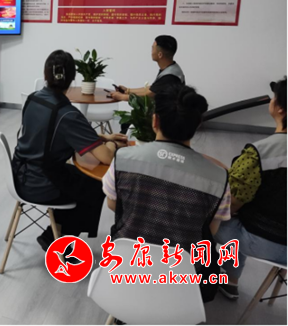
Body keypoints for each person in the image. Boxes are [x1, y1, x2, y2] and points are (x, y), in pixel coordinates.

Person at [102, 84, 231, 302]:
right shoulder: (218, 178)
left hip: (125, 269)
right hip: (182, 283)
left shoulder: (123, 159)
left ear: (155, 121)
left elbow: (113, 204)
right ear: (197, 125)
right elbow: (211, 229)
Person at [12, 50, 128, 251]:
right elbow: (106, 157)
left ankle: (54, 232)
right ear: (73, 79)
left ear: (45, 74)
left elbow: (48, 132)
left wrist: (102, 138)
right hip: (41, 183)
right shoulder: (67, 114)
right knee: (96, 185)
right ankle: (60, 240)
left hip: (20, 174)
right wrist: (114, 144)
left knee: (78, 178)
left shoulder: (33, 99)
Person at [215, 77, 287, 300]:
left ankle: (218, 278)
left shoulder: (260, 152)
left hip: (269, 242)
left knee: (215, 218)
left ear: (279, 108)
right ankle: (230, 282)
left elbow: (233, 203)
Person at [111, 35, 185, 102]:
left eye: (153, 48)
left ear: (160, 55)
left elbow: (149, 94)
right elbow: (152, 89)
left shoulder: (170, 76)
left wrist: (122, 97)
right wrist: (128, 90)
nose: (151, 51)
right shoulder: (171, 68)